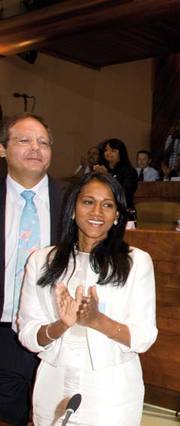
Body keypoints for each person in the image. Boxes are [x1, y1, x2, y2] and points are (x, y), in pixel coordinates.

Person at [18, 172, 157, 425]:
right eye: (88, 202)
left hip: (110, 389)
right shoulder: (41, 261)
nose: (97, 212)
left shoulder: (136, 262)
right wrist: (61, 325)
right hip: (53, 383)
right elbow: (28, 335)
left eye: (107, 205)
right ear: (73, 209)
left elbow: (144, 337)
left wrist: (97, 320)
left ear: (117, 216)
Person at [0, 113, 68, 425]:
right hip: (3, 331)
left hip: (55, 330)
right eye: (24, 140)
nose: (35, 148)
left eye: (43, 142)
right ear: (3, 149)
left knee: (54, 416)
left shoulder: (73, 200)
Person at [94, 138, 138, 220]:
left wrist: (107, 175)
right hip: (102, 209)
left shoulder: (129, 171)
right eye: (106, 150)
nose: (108, 153)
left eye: (113, 151)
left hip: (123, 211)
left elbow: (125, 193)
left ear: (121, 153)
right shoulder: (101, 168)